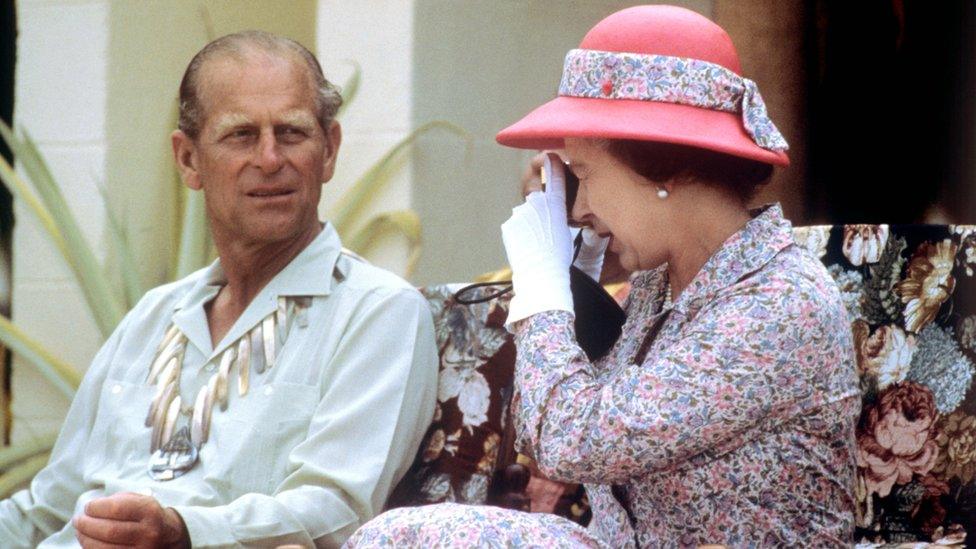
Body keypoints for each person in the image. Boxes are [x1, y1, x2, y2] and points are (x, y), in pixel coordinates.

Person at [346, 5, 859, 547]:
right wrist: (576, 277)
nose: (578, 206)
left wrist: (543, 293)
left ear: (665, 168)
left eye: (585, 175)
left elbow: (570, 440)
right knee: (398, 536)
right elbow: (563, 418)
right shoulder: (664, 282)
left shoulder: (777, 303)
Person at [0, 31, 438, 548]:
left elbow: (336, 509)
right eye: (241, 136)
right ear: (188, 160)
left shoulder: (378, 312)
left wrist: (182, 533)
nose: (271, 159)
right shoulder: (153, 315)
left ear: (329, 150)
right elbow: (47, 508)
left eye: (293, 133)